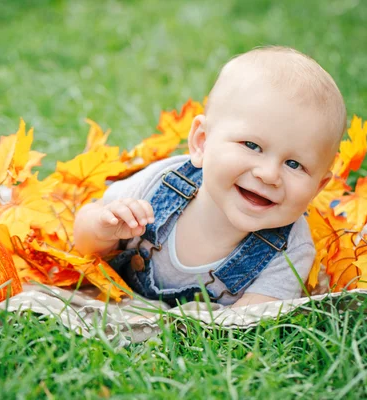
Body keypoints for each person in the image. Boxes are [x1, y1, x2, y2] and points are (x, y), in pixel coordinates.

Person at [73, 46, 347, 307]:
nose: (269, 174)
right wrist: (102, 228)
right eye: (252, 146)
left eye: (294, 164)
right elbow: (85, 238)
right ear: (202, 142)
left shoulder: (291, 250)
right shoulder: (163, 182)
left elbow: (253, 322)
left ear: (319, 186)